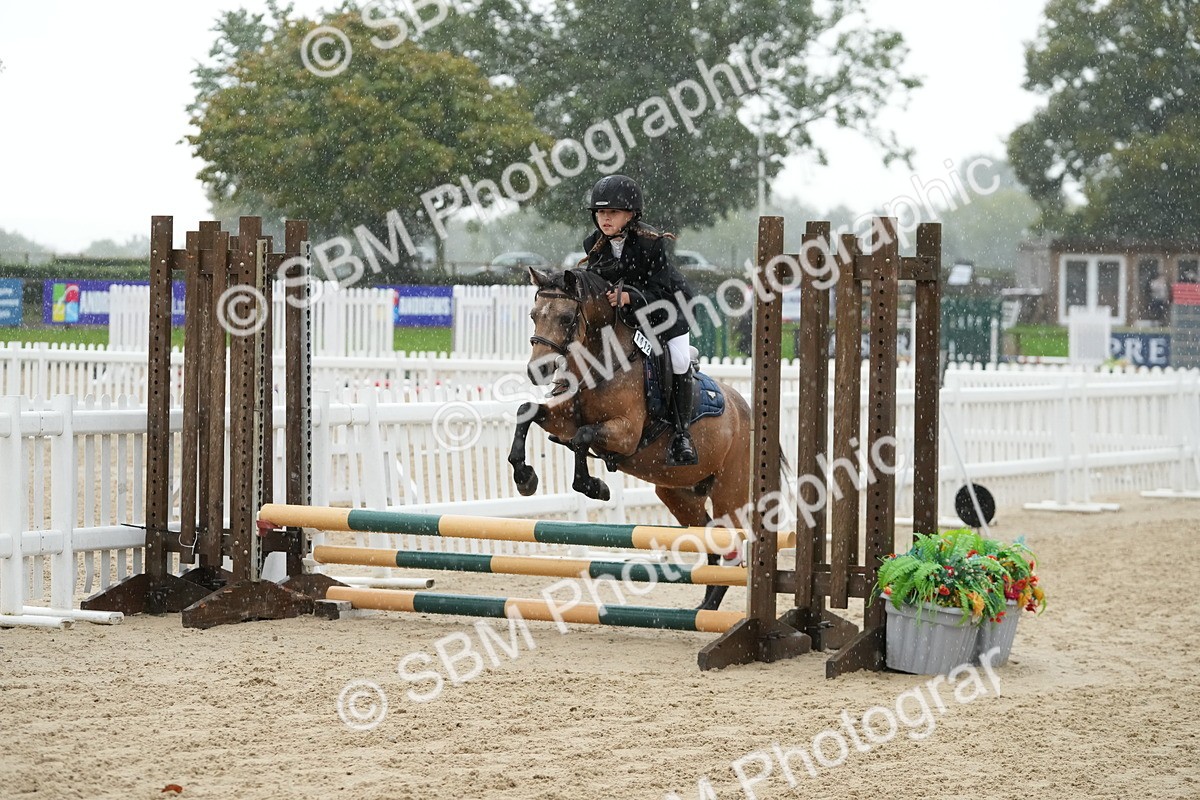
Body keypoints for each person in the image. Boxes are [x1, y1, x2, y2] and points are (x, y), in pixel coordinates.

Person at [581, 174, 697, 466]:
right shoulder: (593, 244)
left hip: (667, 309)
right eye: (600, 212)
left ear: (631, 215)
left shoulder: (651, 243)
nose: (604, 219)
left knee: (680, 360)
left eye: (612, 213)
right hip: (627, 317)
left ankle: (682, 434)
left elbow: (660, 291)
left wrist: (629, 297)